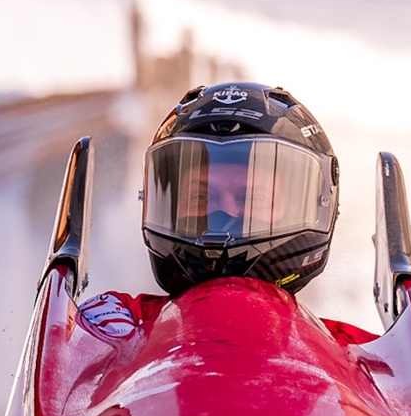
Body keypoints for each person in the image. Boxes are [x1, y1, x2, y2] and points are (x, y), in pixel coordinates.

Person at [139, 81, 339, 296]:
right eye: (201, 197)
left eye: (252, 198)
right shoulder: (118, 316)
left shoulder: (336, 318)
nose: (222, 217)